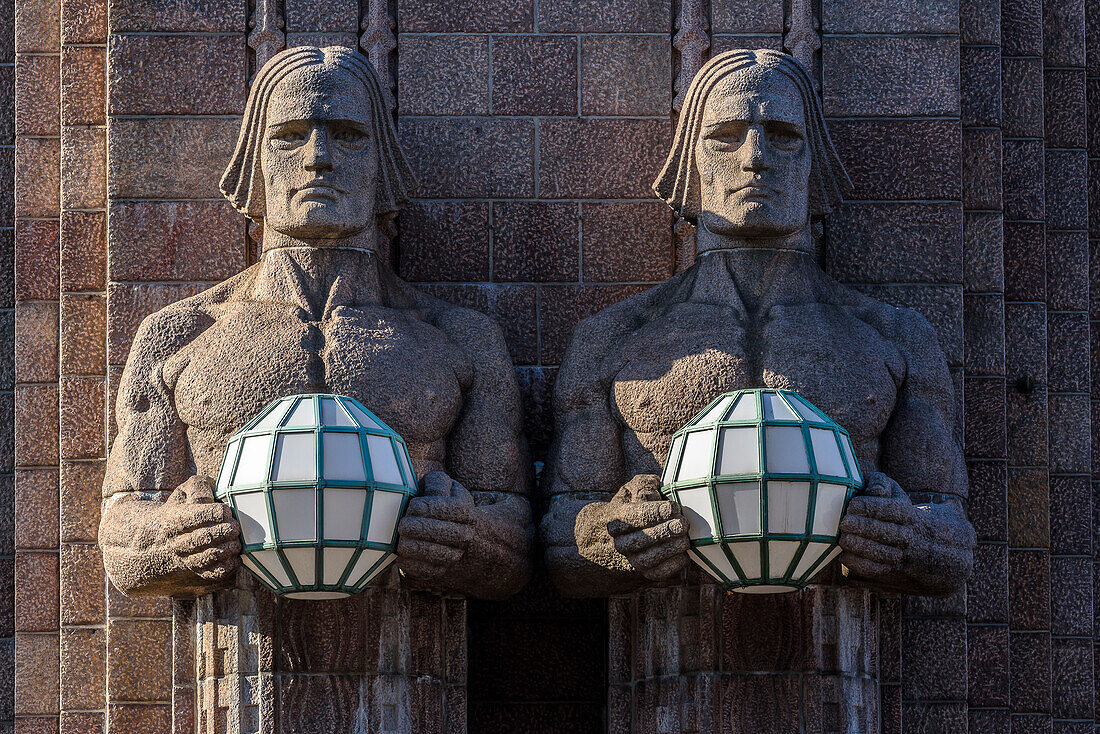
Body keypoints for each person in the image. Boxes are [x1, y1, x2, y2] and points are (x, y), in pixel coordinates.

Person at [98, 46, 533, 601]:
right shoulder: (180, 334)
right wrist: (168, 541)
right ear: (254, 161)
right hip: (231, 657)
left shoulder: (460, 339)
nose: (319, 157)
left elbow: (515, 536)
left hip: (415, 655)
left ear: (383, 164)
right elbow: (123, 530)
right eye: (289, 136)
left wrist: (466, 540)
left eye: (349, 135)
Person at [542, 49, 975, 598]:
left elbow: (953, 538)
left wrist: (906, 536)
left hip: (845, 651)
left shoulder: (895, 337)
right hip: (661, 648)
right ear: (690, 161)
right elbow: (561, 537)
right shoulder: (613, 338)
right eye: (725, 134)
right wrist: (611, 534)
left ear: (813, 159)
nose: (755, 158)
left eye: (783, 135)